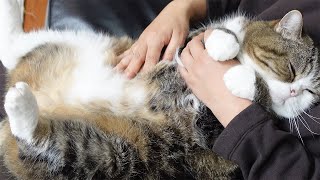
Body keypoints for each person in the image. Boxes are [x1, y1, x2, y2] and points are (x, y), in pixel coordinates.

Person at [117, 0, 320, 179]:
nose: (294, 92)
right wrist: (182, 7)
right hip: (153, 70)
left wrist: (236, 112)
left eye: (311, 92)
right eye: (290, 71)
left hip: (204, 145)